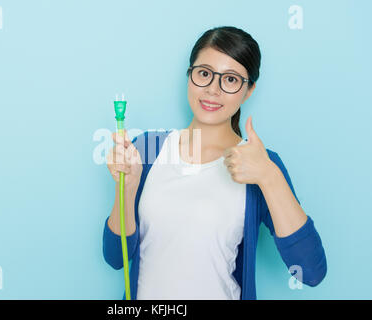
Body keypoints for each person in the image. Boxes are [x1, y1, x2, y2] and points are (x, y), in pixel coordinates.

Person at [103, 26, 327, 300]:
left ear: (249, 90)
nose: (212, 90)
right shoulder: (148, 148)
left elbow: (311, 271)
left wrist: (269, 177)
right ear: (189, 75)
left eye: (230, 79)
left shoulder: (260, 164)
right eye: (204, 73)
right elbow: (115, 257)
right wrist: (126, 189)